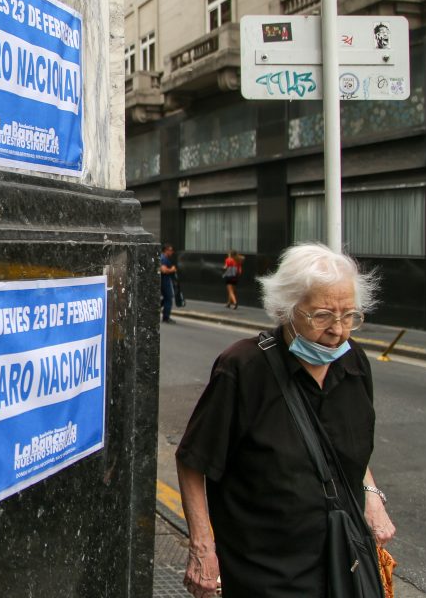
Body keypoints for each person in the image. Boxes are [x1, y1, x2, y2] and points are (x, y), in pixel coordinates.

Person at [175, 242, 395, 597]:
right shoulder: (243, 368)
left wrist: (370, 497)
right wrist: (202, 547)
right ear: (287, 310)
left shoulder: (354, 362)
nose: (338, 330)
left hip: (342, 558)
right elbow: (192, 460)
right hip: (266, 572)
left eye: (349, 315)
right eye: (323, 315)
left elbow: (347, 446)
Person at [160, 244, 177, 324]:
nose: (172, 252)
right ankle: (166, 317)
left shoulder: (164, 258)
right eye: (170, 250)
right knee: (168, 298)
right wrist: (172, 269)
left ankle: (155, 308)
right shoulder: (163, 258)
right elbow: (163, 270)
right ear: (166, 250)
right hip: (164, 281)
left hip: (165, 281)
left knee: (167, 298)